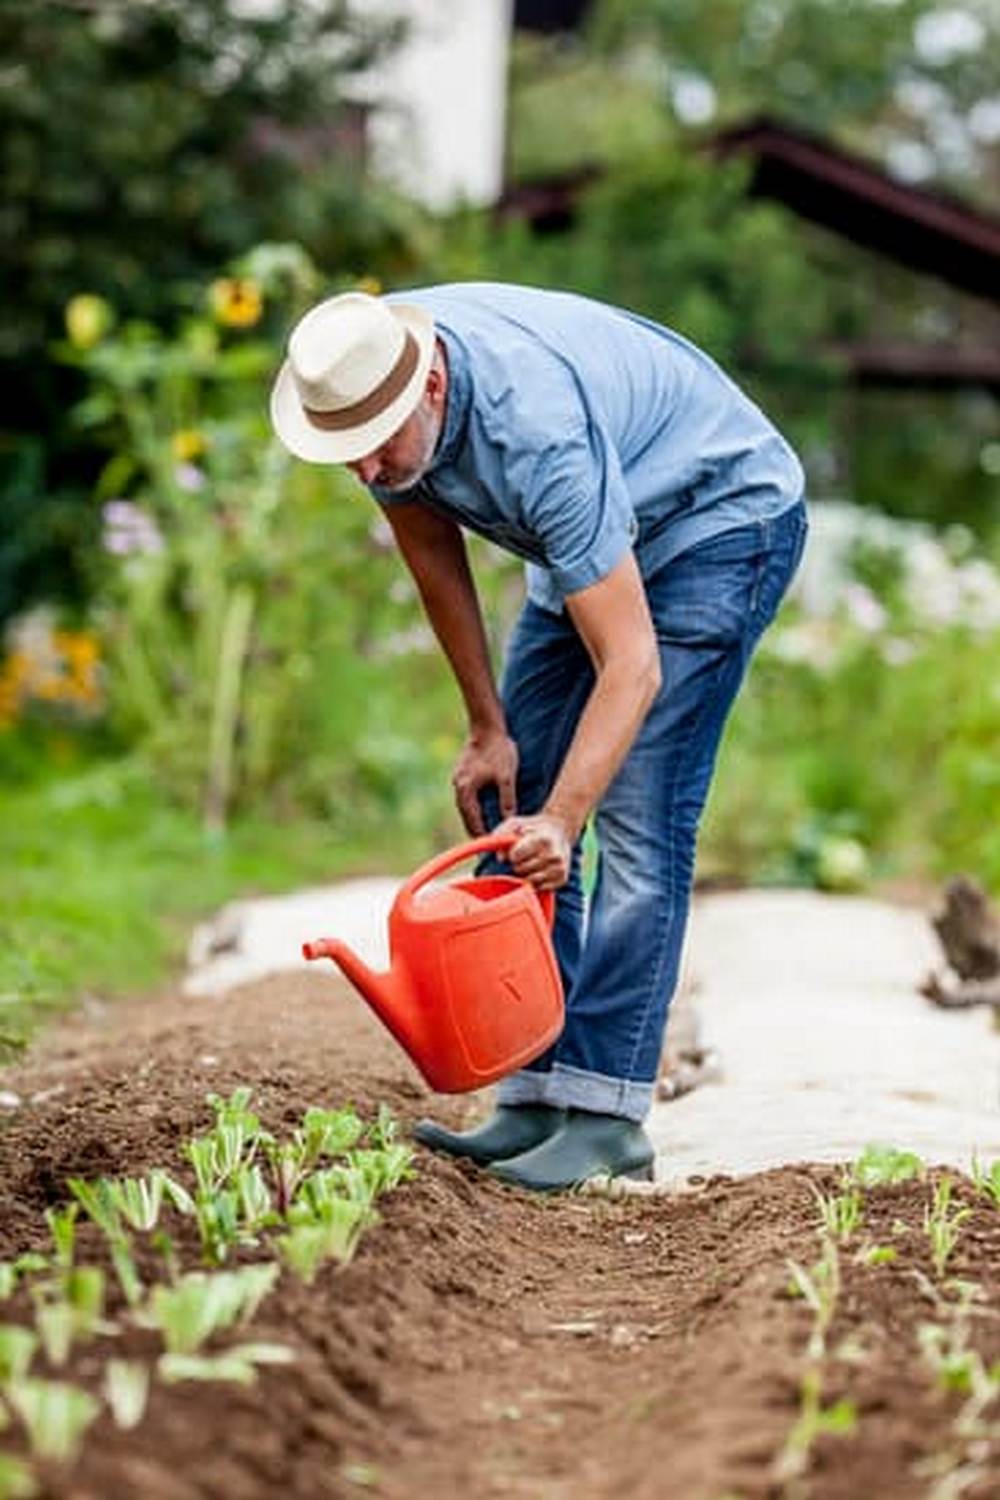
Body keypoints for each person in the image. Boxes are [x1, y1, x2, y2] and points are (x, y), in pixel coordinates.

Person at [270, 282, 808, 1192]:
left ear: (430, 387)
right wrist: (488, 726)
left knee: (636, 820)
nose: (363, 471)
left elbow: (632, 663)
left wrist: (564, 817)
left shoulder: (536, 431)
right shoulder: (363, 372)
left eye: (375, 447)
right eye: (345, 454)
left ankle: (605, 1116)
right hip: (599, 540)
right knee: (505, 809)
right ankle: (532, 1092)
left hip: (718, 518)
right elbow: (432, 555)